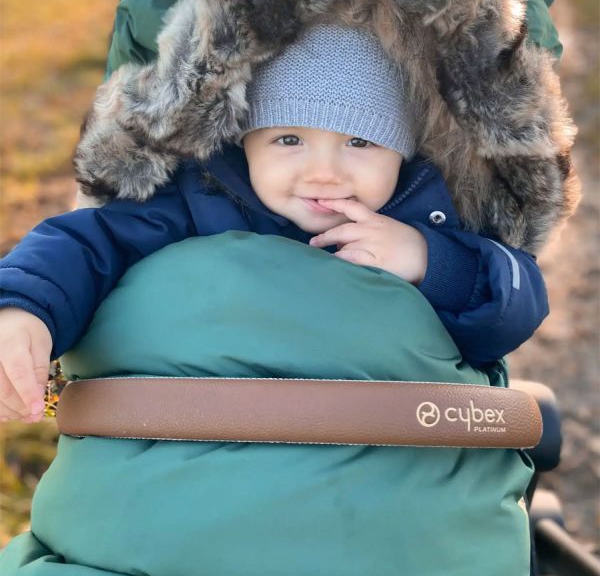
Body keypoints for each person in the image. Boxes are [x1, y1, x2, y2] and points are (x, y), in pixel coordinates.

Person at [0, 21, 551, 426]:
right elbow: (87, 242)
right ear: (246, 144)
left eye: (360, 142)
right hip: (202, 427)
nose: (324, 173)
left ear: (403, 155)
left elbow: (514, 308)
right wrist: (26, 309)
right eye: (289, 140)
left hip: (376, 440)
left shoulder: (423, 216)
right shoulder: (199, 200)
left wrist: (433, 261)